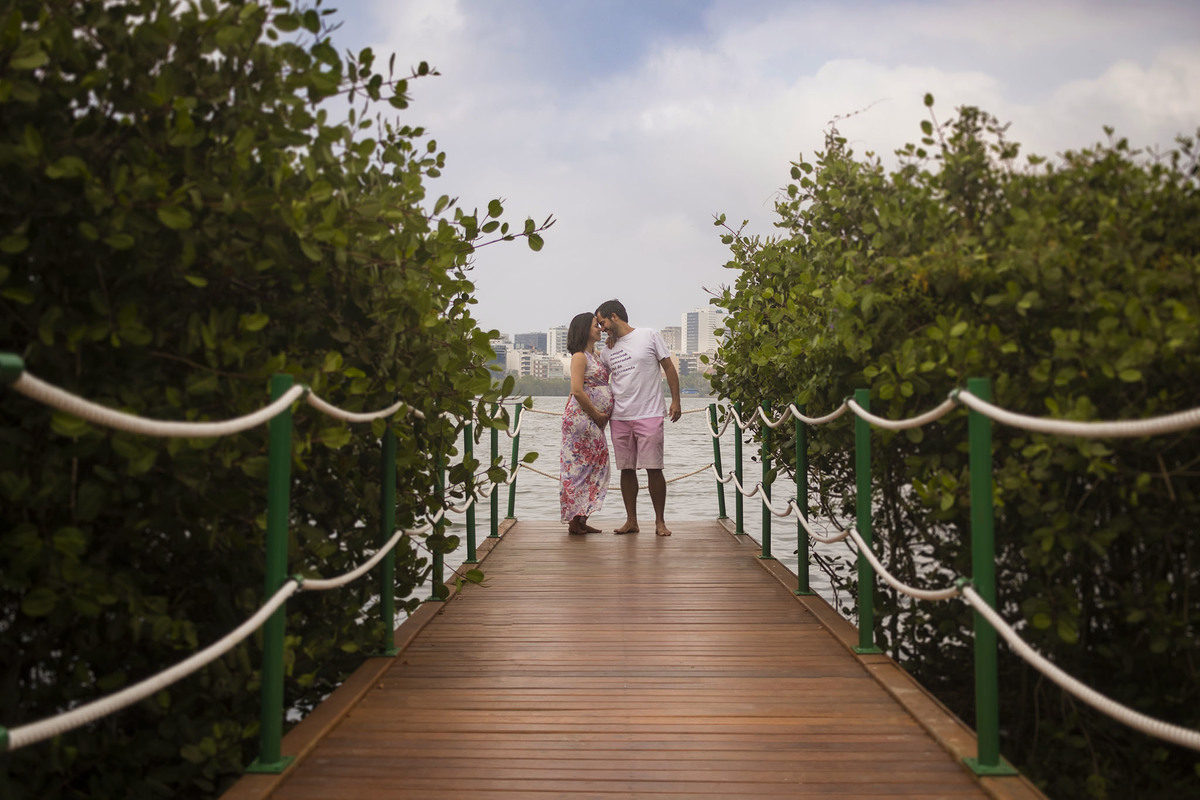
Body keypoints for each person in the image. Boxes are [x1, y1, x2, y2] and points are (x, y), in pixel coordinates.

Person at [594, 299, 682, 536]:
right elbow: (598, 381)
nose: (601, 329)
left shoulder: (649, 335)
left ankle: (660, 522)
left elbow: (669, 368)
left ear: (614, 316)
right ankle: (631, 520)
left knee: (654, 468)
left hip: (650, 413)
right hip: (619, 417)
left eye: (602, 323)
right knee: (626, 469)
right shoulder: (606, 351)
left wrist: (676, 400)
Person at [559, 312, 613, 534]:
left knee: (597, 466)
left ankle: (581, 518)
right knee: (579, 469)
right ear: (584, 330)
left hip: (591, 421)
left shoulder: (596, 355)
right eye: (595, 326)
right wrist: (598, 416)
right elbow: (577, 391)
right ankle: (574, 520)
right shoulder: (579, 357)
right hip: (583, 419)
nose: (600, 328)